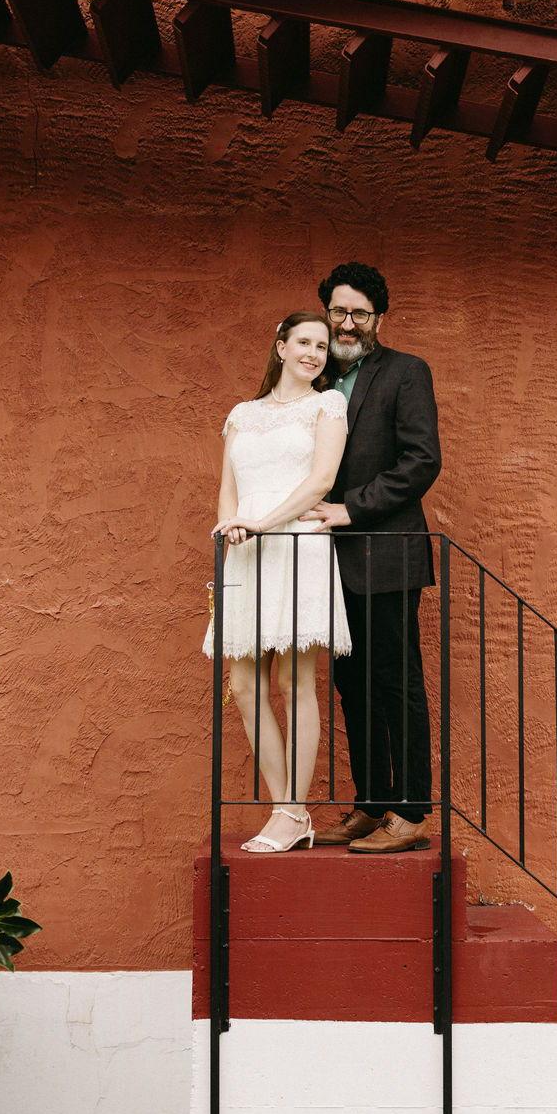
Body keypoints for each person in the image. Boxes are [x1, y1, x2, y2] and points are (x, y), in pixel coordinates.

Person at [301, 263, 442, 854]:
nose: (348, 323)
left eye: (360, 313)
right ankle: (371, 803)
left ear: (378, 318)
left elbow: (420, 461)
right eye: (339, 311)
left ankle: (410, 812)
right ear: (325, 313)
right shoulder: (312, 378)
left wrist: (349, 509)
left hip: (386, 555)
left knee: (395, 681)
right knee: (351, 685)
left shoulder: (406, 373)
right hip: (326, 564)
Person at [203, 310, 353, 852]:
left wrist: (262, 523)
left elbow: (322, 480)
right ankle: (283, 807)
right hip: (243, 550)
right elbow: (229, 486)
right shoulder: (241, 414)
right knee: (244, 685)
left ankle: (291, 812)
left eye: (323, 345)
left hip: (295, 545)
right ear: (281, 346)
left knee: (293, 682)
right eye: (305, 342)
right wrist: (229, 529)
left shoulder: (327, 405)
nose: (315, 352)